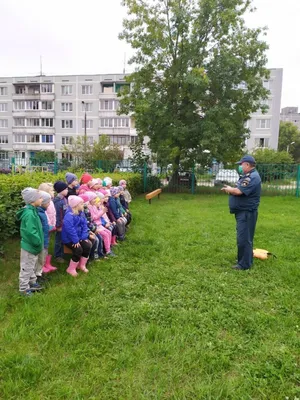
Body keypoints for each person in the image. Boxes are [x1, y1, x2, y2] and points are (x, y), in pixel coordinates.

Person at [221, 155, 261, 270]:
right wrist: (230, 188)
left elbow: (238, 191)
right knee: (244, 237)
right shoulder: (248, 176)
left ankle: (244, 264)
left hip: (246, 212)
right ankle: (244, 260)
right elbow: (240, 188)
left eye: (241, 164)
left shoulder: (252, 177)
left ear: (247, 164)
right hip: (243, 212)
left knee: (244, 238)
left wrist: (229, 190)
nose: (240, 166)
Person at [16, 188, 44, 296]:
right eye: (40, 198)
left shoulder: (33, 210)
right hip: (30, 246)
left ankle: (32, 282)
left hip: (33, 246)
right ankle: (23, 289)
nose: (42, 199)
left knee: (31, 265)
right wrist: (37, 242)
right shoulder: (29, 214)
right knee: (26, 267)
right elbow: (30, 232)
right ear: (33, 200)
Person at [62, 196, 93, 276]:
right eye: (81, 204)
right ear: (75, 205)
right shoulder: (69, 215)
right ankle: (71, 269)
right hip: (69, 239)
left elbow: (84, 225)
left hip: (79, 237)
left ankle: (81, 265)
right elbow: (70, 230)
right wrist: (75, 240)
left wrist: (84, 237)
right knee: (78, 249)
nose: (83, 205)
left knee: (87, 246)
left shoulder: (81, 213)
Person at [36, 191, 56, 282]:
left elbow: (45, 226)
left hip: (45, 239)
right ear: (42, 203)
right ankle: (37, 276)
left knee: (43, 257)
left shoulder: (42, 212)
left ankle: (40, 274)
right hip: (41, 240)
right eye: (48, 203)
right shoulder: (38, 214)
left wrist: (50, 227)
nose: (49, 205)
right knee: (39, 259)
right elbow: (40, 228)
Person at [53, 181, 69, 263]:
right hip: (60, 225)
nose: (67, 190)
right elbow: (58, 215)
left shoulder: (64, 199)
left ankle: (62, 253)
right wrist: (58, 226)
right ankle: (57, 255)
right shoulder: (58, 201)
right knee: (58, 240)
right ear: (60, 190)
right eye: (66, 189)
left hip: (65, 224)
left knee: (63, 239)